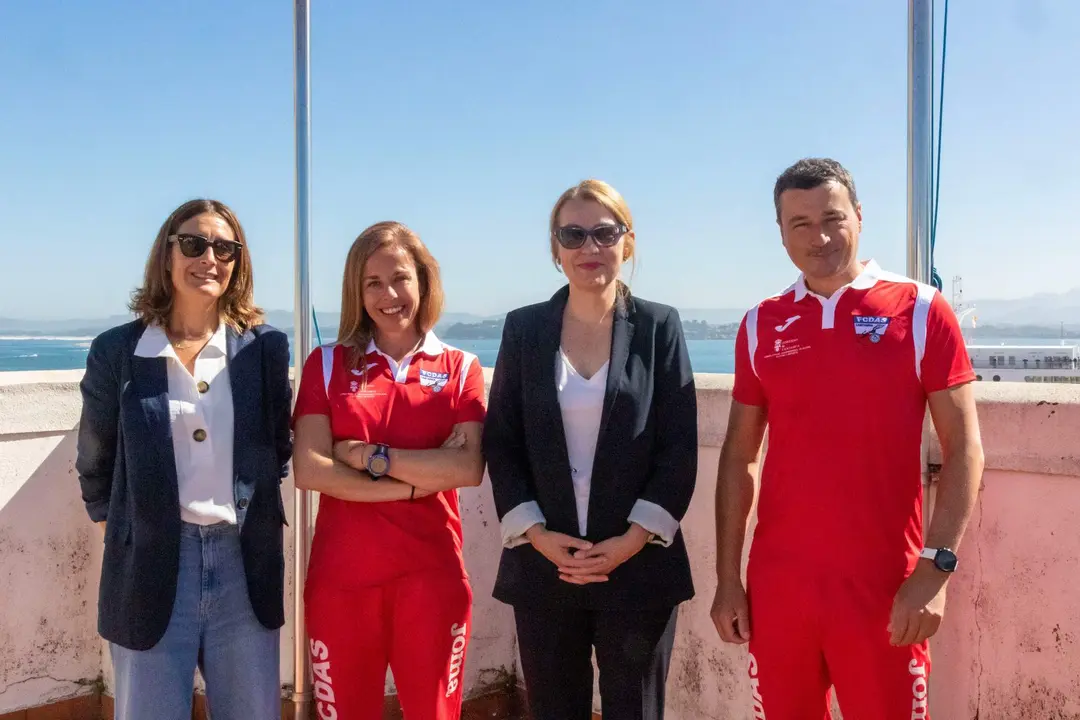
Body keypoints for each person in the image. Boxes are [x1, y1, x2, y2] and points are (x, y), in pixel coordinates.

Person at [711, 158, 984, 719]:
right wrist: (726, 580)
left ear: (859, 217)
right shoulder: (761, 323)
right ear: (782, 233)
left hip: (884, 588)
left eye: (833, 218)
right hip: (779, 591)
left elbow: (964, 451)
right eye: (801, 223)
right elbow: (740, 457)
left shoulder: (921, 311)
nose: (821, 237)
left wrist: (934, 573)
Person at [484, 179, 698, 720]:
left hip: (638, 565)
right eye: (573, 234)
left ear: (627, 242)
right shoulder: (524, 329)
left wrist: (632, 538)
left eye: (604, 233)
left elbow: (678, 444)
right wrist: (534, 533)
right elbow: (502, 441)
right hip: (544, 566)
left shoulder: (659, 326)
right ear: (555, 249)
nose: (589, 248)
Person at [76, 199, 292, 719]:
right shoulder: (119, 352)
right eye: (194, 244)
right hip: (150, 563)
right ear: (167, 255)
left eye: (225, 248)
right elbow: (95, 460)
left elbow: (276, 451)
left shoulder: (264, 351)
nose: (209, 258)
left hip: (244, 565)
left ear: (238, 263)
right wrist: (126, 532)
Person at [291, 221, 486, 720]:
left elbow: (466, 466)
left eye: (400, 278)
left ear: (423, 282)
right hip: (342, 583)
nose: (389, 295)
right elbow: (311, 471)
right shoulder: (327, 364)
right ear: (356, 292)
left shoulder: (462, 367)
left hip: (432, 579)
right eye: (372, 283)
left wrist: (366, 457)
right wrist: (417, 485)